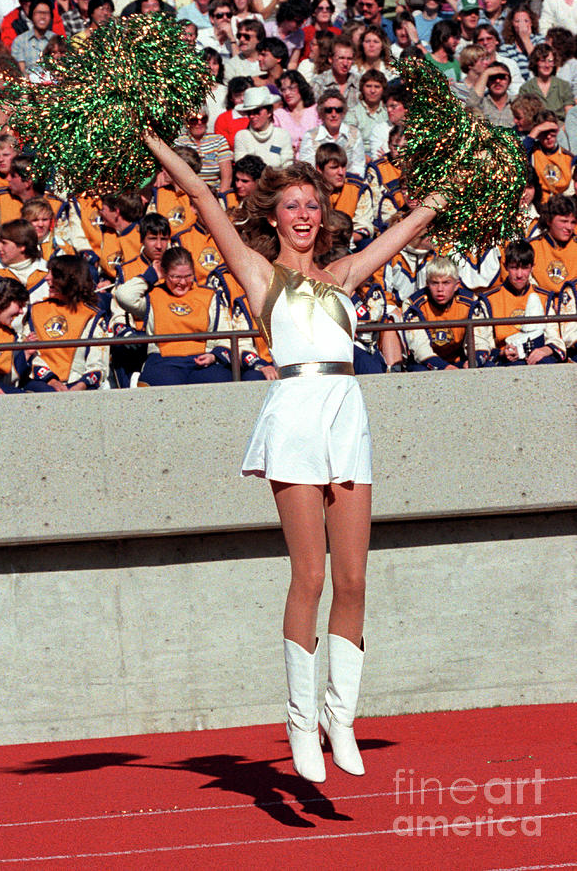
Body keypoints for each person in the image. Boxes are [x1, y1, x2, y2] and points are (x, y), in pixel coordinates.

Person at [143, 126, 446, 783]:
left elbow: (406, 230)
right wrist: (157, 143)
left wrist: (448, 190)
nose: (305, 215)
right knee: (310, 576)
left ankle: (342, 714)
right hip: (295, 417)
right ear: (273, 215)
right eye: (293, 206)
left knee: (357, 580)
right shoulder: (258, 273)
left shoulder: (343, 275)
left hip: (347, 414)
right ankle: (300, 718)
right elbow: (200, 194)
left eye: (313, 205)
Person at [114, 244, 235, 386]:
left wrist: (214, 356)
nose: (183, 283)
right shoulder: (154, 296)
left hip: (203, 358)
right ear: (164, 274)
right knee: (164, 385)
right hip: (163, 360)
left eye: (188, 276)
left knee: (220, 381)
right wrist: (151, 276)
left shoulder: (209, 296)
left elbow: (225, 334)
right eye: (176, 277)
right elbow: (123, 295)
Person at [24, 253, 109, 392]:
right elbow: (31, 354)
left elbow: (98, 363)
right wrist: (51, 381)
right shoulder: (36, 310)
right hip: (41, 384)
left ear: (71, 279)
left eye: (54, 274)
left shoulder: (92, 315)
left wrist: (79, 386)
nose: (47, 278)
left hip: (80, 385)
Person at [473, 239, 566, 366]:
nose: (519, 274)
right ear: (505, 267)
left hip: (537, 357)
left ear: (532, 267)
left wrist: (544, 350)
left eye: (525, 268)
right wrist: (502, 352)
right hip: (504, 360)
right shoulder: (489, 300)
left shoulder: (544, 297)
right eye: (514, 268)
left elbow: (555, 338)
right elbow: (481, 343)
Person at [402, 256, 475, 370]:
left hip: (458, 360)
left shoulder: (471, 302)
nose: (440, 289)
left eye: (446, 283)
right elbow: (420, 347)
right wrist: (444, 367)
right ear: (427, 284)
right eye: (435, 283)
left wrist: (473, 361)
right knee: (418, 371)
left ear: (456, 285)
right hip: (425, 362)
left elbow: (481, 341)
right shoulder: (413, 305)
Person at [299, 87, 365, 177]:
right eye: (328, 110)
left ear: (343, 112)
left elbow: (358, 166)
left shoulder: (354, 134)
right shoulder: (310, 136)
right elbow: (307, 169)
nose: (334, 114)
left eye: (338, 110)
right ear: (321, 113)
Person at [233, 85, 294, 167]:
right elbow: (242, 168)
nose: (251, 116)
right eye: (249, 113)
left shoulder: (282, 135)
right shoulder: (242, 136)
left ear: (269, 112)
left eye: (257, 111)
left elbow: (288, 166)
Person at [174, 112, 233, 192]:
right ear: (187, 122)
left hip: (215, 192)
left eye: (203, 119)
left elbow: (227, 177)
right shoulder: (179, 142)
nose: (199, 123)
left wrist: (221, 196)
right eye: (194, 120)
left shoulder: (218, 140)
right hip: (187, 193)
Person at [518, 43, 574, 122]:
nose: (547, 65)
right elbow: (525, 116)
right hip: (535, 127)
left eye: (550, 61)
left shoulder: (564, 86)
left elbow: (570, 114)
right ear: (536, 62)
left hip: (560, 127)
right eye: (543, 61)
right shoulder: (526, 88)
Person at [274, 69, 319, 159]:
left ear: (301, 87)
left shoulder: (316, 110)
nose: (287, 93)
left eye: (291, 88)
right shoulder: (278, 115)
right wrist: (286, 151)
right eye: (283, 90)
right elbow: (271, 148)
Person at [345, 67, 388, 157]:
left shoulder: (388, 111)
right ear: (362, 88)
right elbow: (350, 143)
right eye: (368, 86)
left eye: (377, 87)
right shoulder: (353, 112)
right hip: (360, 155)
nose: (372, 91)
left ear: (383, 89)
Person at [499, 4, 545, 81]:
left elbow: (542, 64)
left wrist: (525, 39)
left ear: (531, 23)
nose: (522, 25)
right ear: (512, 24)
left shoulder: (540, 40)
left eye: (526, 21)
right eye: (517, 21)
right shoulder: (506, 47)